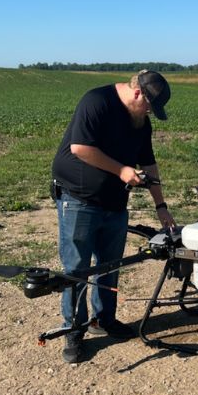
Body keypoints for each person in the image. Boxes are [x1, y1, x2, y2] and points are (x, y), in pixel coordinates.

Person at [51, 70, 175, 363]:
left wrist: (161, 206)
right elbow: (80, 148)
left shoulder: (140, 122)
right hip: (78, 200)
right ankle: (74, 330)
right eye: (149, 106)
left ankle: (103, 319)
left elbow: (149, 163)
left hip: (115, 203)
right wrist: (121, 170)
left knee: (110, 266)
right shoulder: (97, 102)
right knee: (77, 268)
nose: (149, 113)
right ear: (136, 93)